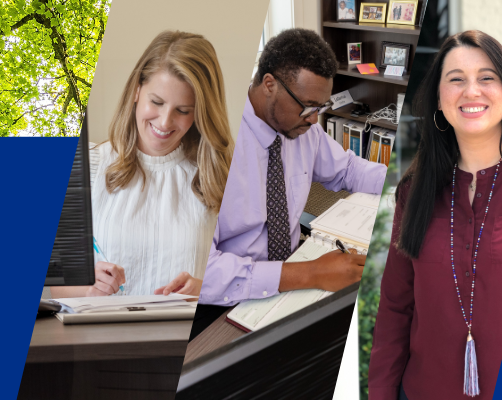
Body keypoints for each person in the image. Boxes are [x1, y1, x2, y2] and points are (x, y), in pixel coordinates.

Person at [367, 31, 502, 400]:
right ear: (439, 98)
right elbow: (396, 306)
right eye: (456, 79)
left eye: (486, 77)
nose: (472, 91)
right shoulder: (415, 191)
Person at [197, 28, 386, 322]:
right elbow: (202, 271)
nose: (314, 119)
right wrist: (310, 273)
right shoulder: (213, 144)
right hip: (229, 298)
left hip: (296, 264)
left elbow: (348, 169)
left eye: (321, 107)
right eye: (308, 106)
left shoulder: (301, 129)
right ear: (269, 85)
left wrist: (403, 182)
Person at [50, 31, 231, 298]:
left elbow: (241, 277)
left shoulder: (218, 176)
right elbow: (58, 287)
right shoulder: (89, 166)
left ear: (201, 113)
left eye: (183, 110)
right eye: (156, 102)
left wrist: (205, 289)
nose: (165, 122)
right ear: (136, 90)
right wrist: (87, 286)